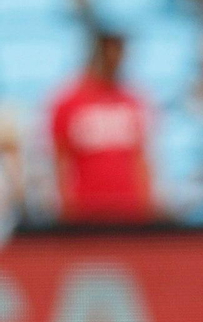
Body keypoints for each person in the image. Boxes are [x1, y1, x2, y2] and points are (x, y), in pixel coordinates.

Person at [49, 29, 155, 224]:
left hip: (129, 210)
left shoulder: (132, 101)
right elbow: (59, 159)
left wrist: (147, 201)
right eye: (109, 52)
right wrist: (64, 206)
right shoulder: (69, 102)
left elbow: (141, 157)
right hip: (84, 211)